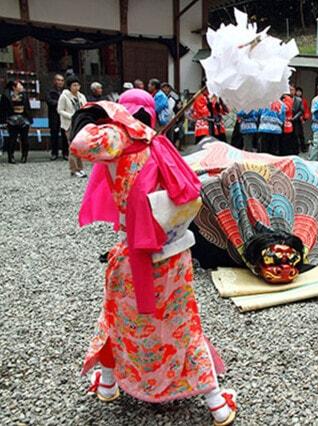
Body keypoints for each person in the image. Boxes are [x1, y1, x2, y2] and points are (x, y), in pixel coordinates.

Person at [68, 89, 237, 425]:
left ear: (124, 113)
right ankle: (217, 404)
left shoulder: (118, 141)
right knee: (183, 326)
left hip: (133, 254)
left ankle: (107, 384)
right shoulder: (158, 143)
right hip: (174, 253)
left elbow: (80, 142)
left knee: (118, 321)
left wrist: (95, 109)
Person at [186, 143, 318, 282]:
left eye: (282, 263)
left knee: (297, 165)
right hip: (227, 162)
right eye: (278, 261)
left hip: (287, 172)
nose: (283, 268)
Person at [58, 75, 87, 177]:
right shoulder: (64, 96)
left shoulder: (81, 96)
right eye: (74, 85)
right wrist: (71, 116)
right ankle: (73, 169)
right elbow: (60, 110)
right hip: (69, 124)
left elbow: (85, 107)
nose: (76, 87)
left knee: (79, 146)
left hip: (80, 123)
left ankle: (80, 167)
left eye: (78, 85)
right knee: (72, 146)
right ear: (69, 86)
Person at [0, 80, 31, 164]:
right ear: (14, 87)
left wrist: (29, 118)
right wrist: (4, 120)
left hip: (23, 118)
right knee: (12, 139)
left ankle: (24, 155)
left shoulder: (24, 95)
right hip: (11, 118)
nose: (21, 87)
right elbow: (3, 109)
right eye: (19, 85)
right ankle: (11, 156)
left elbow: (28, 107)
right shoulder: (6, 95)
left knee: (24, 139)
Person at [47, 74, 67, 161]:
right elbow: (50, 102)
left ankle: (65, 153)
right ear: (54, 81)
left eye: (62, 80)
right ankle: (54, 153)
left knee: (65, 135)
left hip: (64, 116)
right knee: (54, 135)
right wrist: (61, 103)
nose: (60, 82)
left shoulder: (66, 92)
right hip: (54, 115)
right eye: (58, 80)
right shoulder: (50, 91)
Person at [281, 84, 303, 155]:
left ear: (295, 91)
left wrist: (294, 118)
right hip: (285, 121)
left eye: (292, 90)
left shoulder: (299, 100)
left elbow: (301, 111)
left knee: (294, 138)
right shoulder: (283, 99)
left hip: (295, 121)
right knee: (284, 138)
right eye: (289, 90)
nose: (290, 91)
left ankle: (294, 153)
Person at [296, 86, 311, 152]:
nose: (299, 93)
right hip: (294, 119)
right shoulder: (292, 99)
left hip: (300, 119)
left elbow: (306, 110)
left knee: (301, 134)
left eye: (300, 92)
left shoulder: (303, 101)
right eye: (297, 91)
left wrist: (305, 119)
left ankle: (303, 148)